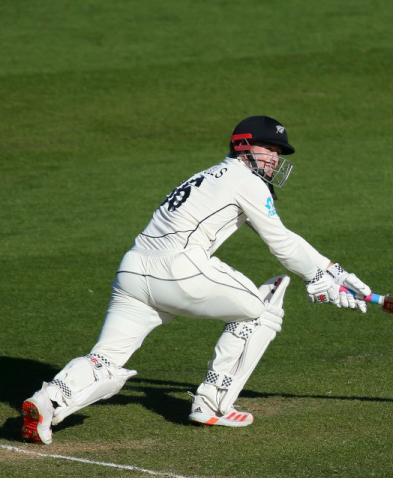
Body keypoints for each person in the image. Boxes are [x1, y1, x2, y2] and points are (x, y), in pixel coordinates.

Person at [21, 115, 372, 444]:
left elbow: (283, 238)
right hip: (177, 269)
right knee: (259, 309)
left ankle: (47, 401)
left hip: (132, 271)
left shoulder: (208, 176)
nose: (275, 159)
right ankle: (211, 404)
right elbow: (280, 241)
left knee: (105, 358)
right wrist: (324, 276)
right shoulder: (245, 181)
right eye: (270, 150)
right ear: (244, 147)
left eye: (278, 153)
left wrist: (328, 274)